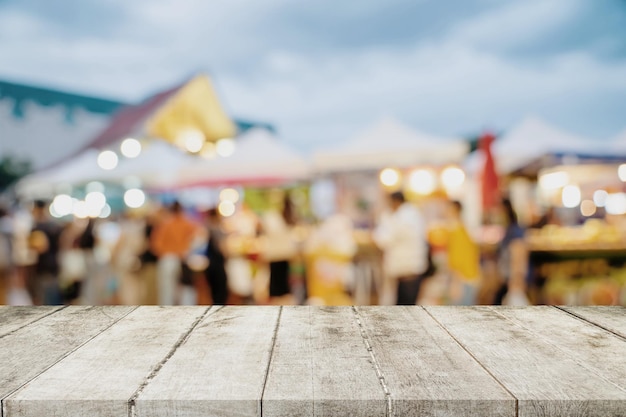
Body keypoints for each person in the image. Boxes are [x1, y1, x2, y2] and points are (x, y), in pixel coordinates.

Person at [373, 191, 428, 305]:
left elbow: (384, 239)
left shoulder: (403, 217)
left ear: (395, 201)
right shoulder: (412, 214)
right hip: (410, 269)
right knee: (407, 304)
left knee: (405, 306)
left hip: (406, 269)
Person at [151, 201, 199, 305]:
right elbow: (198, 238)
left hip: (168, 259)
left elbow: (156, 245)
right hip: (183, 258)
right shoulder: (188, 223)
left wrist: (168, 251)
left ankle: (167, 313)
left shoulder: (165, 224)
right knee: (185, 289)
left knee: (166, 290)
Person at [27, 200, 63, 305]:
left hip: (43, 267)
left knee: (46, 299)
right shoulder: (55, 225)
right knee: (55, 296)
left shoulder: (38, 227)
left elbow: (41, 247)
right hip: (54, 264)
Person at [446, 200, 481, 305]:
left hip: (463, 280)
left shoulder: (457, 230)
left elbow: (458, 258)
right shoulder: (464, 228)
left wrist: (455, 283)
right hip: (469, 277)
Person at [494, 198, 528, 305]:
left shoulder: (515, 231)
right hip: (507, 280)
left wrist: (516, 281)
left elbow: (519, 257)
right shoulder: (508, 230)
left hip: (513, 282)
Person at [204, 208, 229, 305]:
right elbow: (223, 248)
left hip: (209, 264)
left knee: (213, 291)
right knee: (221, 291)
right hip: (218, 265)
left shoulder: (206, 228)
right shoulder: (217, 229)